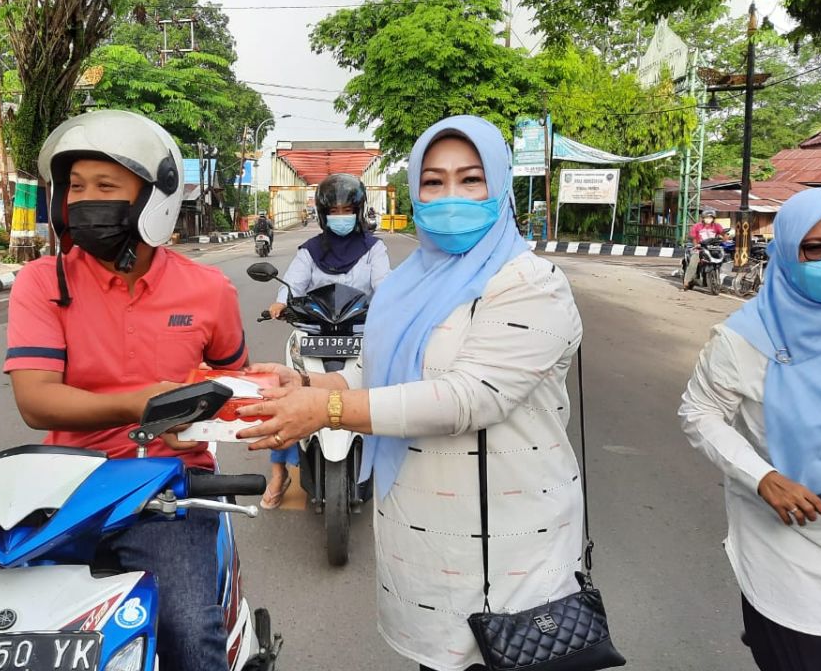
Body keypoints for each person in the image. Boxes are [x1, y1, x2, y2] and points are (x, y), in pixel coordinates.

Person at [238, 115, 585, 670]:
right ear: (414, 193)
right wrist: (305, 382)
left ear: (500, 188)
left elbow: (468, 397)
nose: (451, 196)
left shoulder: (528, 283)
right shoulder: (409, 282)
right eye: (433, 182)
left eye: (471, 180)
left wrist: (328, 408)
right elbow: (380, 372)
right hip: (426, 556)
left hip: (512, 558)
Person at [3, 109, 249, 671]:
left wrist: (200, 418)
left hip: (169, 491)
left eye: (106, 186)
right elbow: (36, 401)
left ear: (152, 198)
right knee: (6, 628)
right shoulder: (44, 282)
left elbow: (233, 385)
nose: (86, 200)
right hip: (63, 490)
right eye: (77, 187)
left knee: (189, 634)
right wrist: (145, 402)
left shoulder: (209, 290)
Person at [678, 188, 821, 671]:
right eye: (815, 247)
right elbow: (699, 412)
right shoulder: (744, 339)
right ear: (786, 251)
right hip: (789, 551)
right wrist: (762, 477)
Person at [260, 172, 392, 508]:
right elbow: (293, 285)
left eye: (348, 210)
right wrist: (281, 303)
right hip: (314, 331)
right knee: (285, 389)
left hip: (361, 331)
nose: (341, 216)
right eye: (334, 210)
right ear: (322, 213)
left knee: (381, 385)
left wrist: (392, 305)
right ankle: (279, 471)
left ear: (359, 211)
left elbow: (385, 285)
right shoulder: (310, 251)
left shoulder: (374, 249)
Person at [685, 208, 726, 289]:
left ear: (713, 219)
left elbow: (723, 234)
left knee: (723, 257)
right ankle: (686, 282)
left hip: (712, 248)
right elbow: (693, 238)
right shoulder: (697, 226)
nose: (709, 219)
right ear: (703, 218)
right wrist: (696, 245)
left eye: (710, 218)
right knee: (694, 261)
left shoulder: (717, 226)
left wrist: (725, 239)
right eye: (707, 218)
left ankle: (716, 275)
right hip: (700, 248)